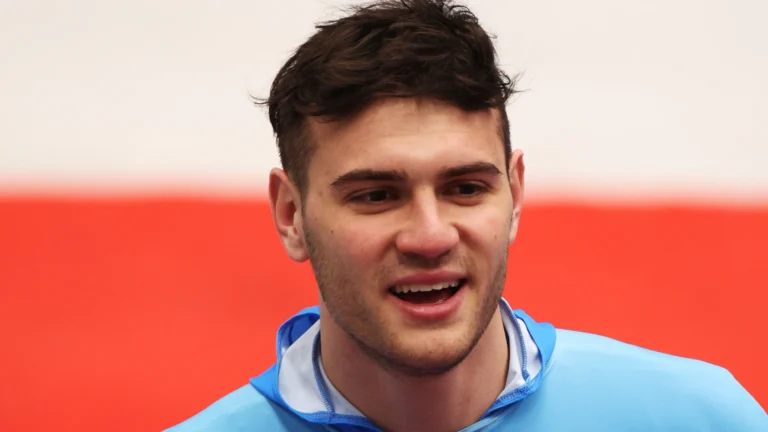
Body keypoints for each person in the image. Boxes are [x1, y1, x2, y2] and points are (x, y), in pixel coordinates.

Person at [165, 0, 767, 430]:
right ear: (291, 215)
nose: (430, 236)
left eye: (466, 188)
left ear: (515, 194)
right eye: (376, 195)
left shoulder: (702, 419)